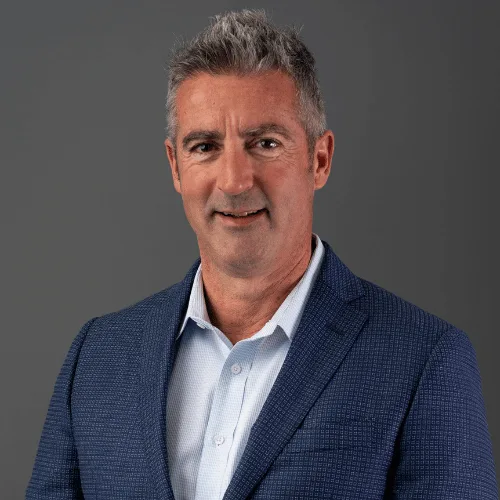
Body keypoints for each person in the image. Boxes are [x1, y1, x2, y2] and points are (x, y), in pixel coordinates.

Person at [27, 9, 497, 500]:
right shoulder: (98, 356)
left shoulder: (423, 360)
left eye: (266, 143)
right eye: (204, 146)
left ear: (319, 159)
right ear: (175, 167)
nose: (234, 181)